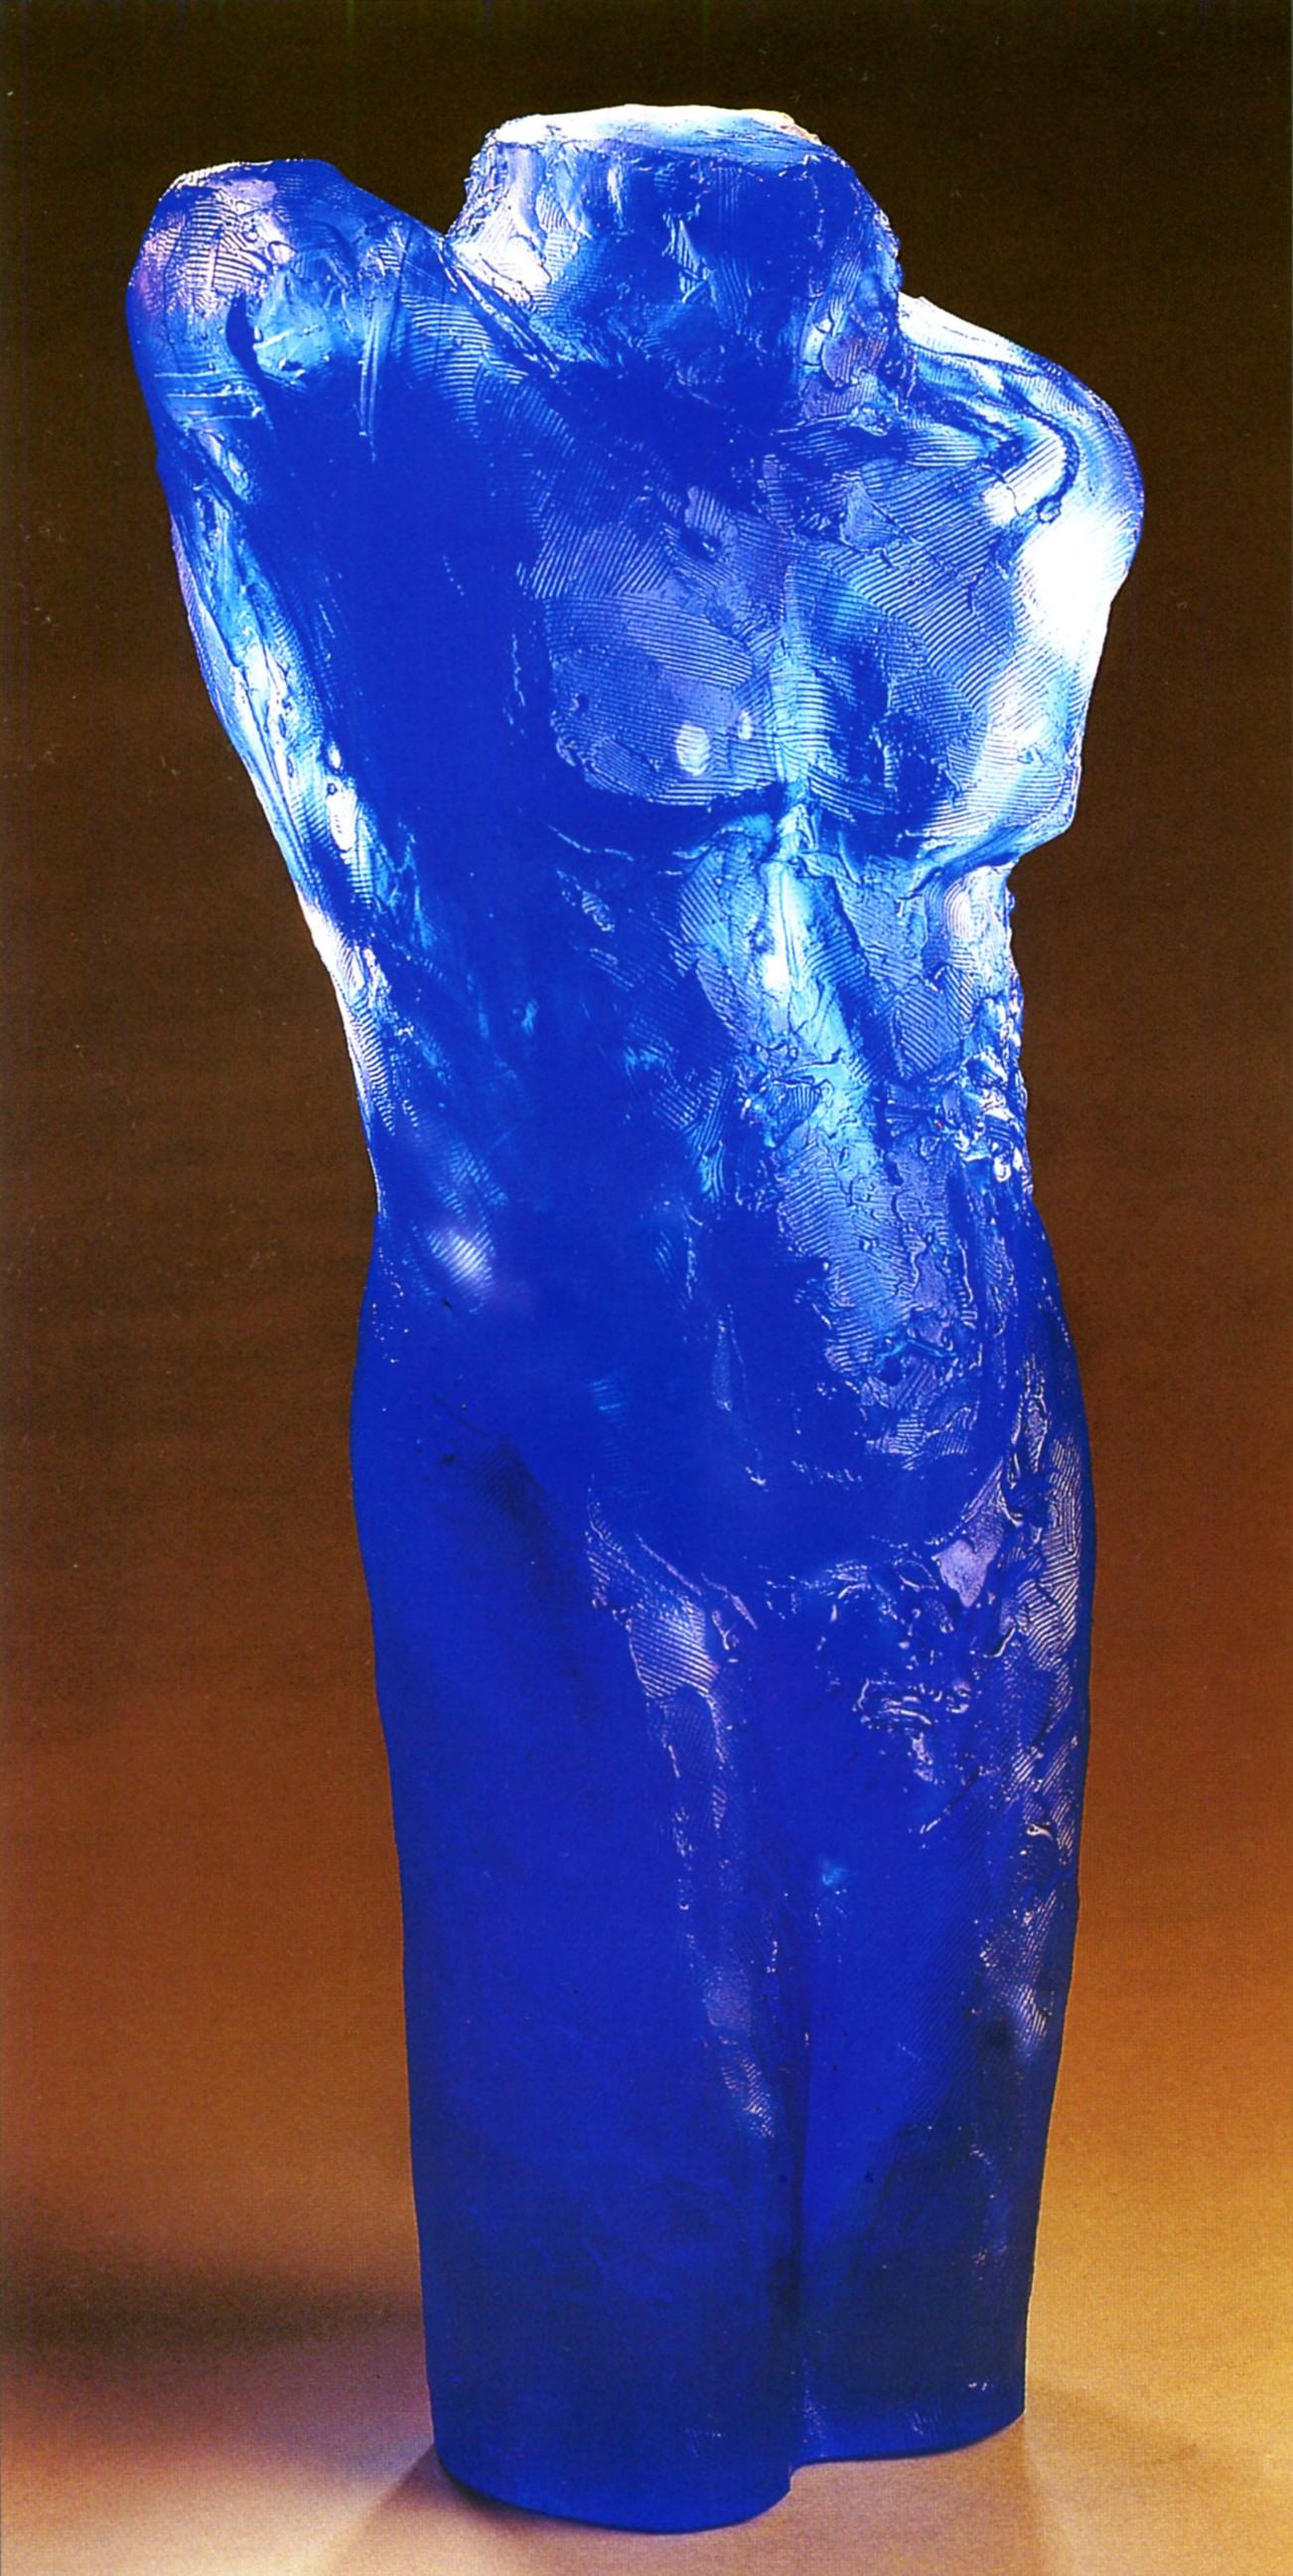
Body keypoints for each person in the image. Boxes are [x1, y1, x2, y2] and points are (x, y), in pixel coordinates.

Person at [130, 107, 1141, 2531]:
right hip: (590, 1420)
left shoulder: (1004, 457)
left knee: (925, 2245)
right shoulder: (413, 426)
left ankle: (883, 2360)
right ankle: (617, 2413)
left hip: (965, 1391)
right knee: (624, 2265)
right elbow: (220, 264)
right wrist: (519, 320)